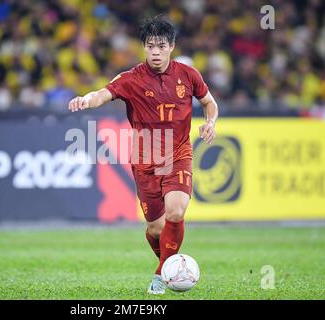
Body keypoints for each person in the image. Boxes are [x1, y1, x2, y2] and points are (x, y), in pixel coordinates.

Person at [69, 16, 219, 294]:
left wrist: (210, 123)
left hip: (178, 153)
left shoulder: (189, 75)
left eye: (161, 46)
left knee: (176, 211)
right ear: (144, 48)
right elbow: (102, 93)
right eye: (150, 46)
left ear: (172, 47)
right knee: (155, 228)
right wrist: (86, 100)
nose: (156, 52)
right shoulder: (131, 78)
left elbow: (209, 103)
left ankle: (161, 275)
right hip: (144, 159)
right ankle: (171, 265)